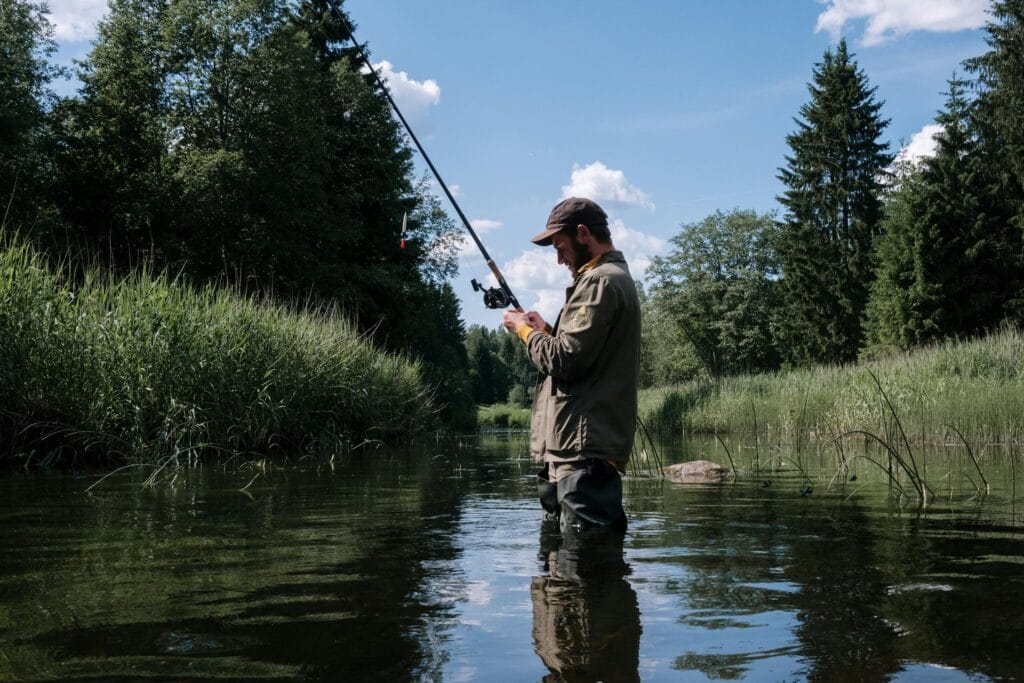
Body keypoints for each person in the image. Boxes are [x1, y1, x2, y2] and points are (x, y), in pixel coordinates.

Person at [503, 197, 641, 532]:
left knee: (584, 566)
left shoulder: (600, 281)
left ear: (583, 234)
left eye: (560, 246)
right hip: (575, 448)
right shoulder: (606, 278)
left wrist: (523, 331)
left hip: (583, 451)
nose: (558, 258)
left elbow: (564, 359)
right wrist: (545, 331)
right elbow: (585, 352)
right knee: (562, 564)